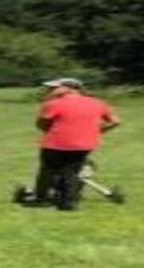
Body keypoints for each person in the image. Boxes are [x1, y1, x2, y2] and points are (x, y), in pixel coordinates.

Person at [32, 77, 118, 211]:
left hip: (54, 144)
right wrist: (96, 131)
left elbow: (41, 123)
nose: (50, 90)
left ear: (69, 88)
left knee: (48, 170)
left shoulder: (53, 103)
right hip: (84, 145)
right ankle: (69, 202)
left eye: (55, 87)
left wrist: (49, 130)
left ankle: (42, 199)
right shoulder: (97, 102)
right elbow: (115, 121)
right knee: (72, 172)